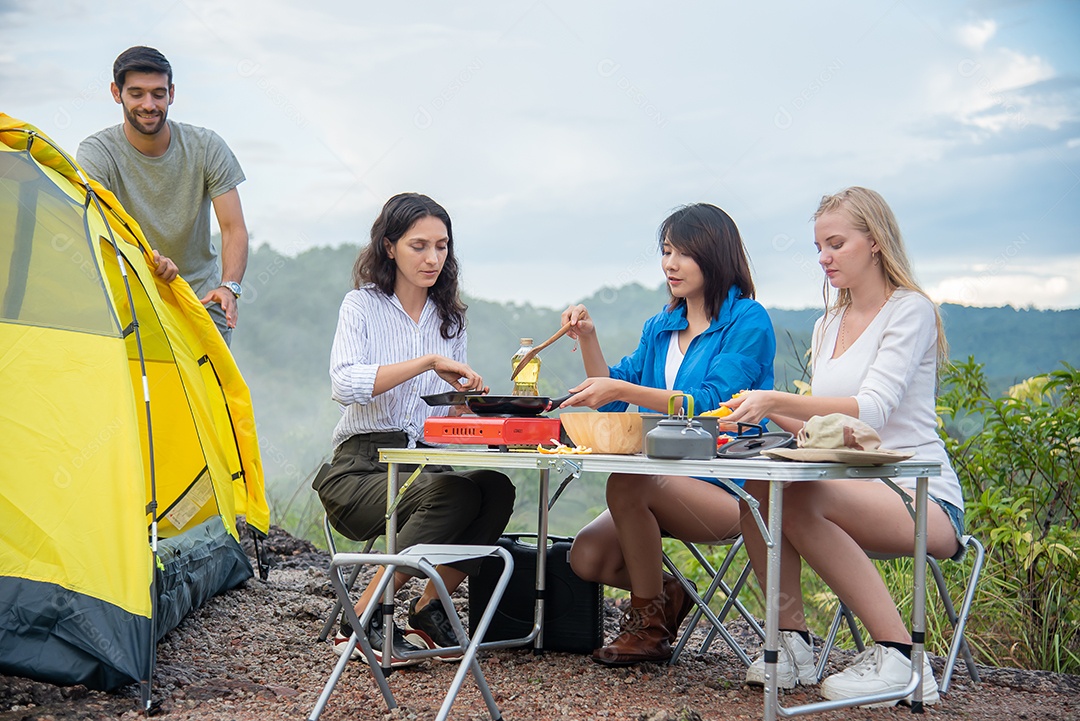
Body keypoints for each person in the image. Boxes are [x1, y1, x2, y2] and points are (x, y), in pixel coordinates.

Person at [723, 186, 965, 705]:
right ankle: (791, 644)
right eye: (818, 247)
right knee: (758, 492)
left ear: (875, 241)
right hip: (850, 485)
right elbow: (827, 426)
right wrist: (751, 410)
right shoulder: (826, 322)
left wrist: (775, 398)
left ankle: (904, 659)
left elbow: (871, 409)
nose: (823, 258)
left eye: (835, 243)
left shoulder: (910, 311)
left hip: (921, 496)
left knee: (802, 498)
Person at [559, 203, 776, 666]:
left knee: (628, 481)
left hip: (728, 488)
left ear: (715, 256)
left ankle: (649, 629)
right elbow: (613, 398)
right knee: (586, 557)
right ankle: (668, 593)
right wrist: (590, 340)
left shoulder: (747, 321)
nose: (670, 264)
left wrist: (623, 387)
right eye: (665, 251)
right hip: (661, 483)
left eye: (683, 253)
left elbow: (715, 403)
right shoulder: (661, 326)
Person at [313, 192, 515, 667]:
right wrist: (425, 361)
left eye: (442, 247)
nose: (433, 258)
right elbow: (344, 383)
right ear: (389, 247)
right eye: (419, 245)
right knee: (452, 494)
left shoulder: (449, 317)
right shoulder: (361, 306)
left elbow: (441, 424)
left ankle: (428, 610)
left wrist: (467, 405)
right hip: (361, 468)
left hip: (425, 458)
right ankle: (362, 619)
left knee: (494, 487)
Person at [77, 46, 249, 345]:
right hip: (131, 299)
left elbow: (233, 228)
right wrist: (146, 260)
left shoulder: (206, 146)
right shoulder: (96, 153)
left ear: (171, 93)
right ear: (116, 93)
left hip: (201, 301)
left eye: (158, 93)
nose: (149, 104)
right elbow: (99, 230)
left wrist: (229, 288)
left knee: (210, 392)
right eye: (137, 93)